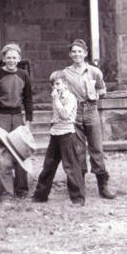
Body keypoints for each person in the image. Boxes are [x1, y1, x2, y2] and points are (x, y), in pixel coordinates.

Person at [63, 38, 116, 200]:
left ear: (85, 53)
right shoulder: (65, 73)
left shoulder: (94, 71)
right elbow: (60, 89)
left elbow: (102, 90)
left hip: (91, 109)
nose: (77, 54)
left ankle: (103, 185)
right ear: (70, 54)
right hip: (75, 112)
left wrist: (96, 94)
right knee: (78, 149)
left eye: (80, 51)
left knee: (96, 147)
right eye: (74, 51)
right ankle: (80, 186)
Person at [0, 43, 33, 198]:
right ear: (3, 58)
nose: (11, 60)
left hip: (17, 117)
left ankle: (22, 190)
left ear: (18, 58)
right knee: (2, 156)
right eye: (8, 57)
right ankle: (6, 193)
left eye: (14, 57)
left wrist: (28, 122)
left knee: (21, 151)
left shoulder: (24, 75)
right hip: (0, 117)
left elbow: (28, 100)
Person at [32, 71, 85, 206]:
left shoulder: (71, 98)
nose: (55, 87)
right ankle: (40, 195)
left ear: (66, 84)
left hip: (67, 134)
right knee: (48, 165)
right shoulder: (57, 97)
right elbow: (56, 116)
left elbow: (65, 114)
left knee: (71, 167)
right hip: (55, 134)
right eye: (53, 85)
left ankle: (78, 198)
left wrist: (56, 100)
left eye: (58, 84)